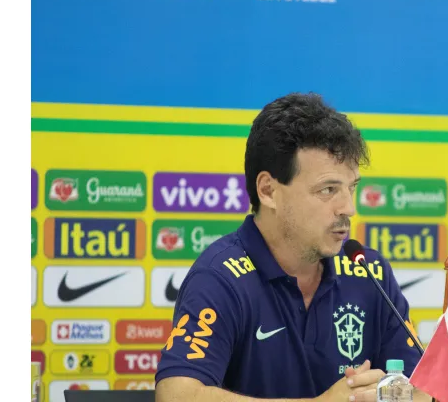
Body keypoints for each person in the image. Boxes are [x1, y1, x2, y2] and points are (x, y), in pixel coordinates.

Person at [155, 93, 432, 402]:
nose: (349, 208)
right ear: (268, 191)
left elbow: (423, 388)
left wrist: (397, 396)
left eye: (351, 188)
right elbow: (176, 394)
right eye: (328, 190)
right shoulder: (220, 277)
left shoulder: (369, 272)